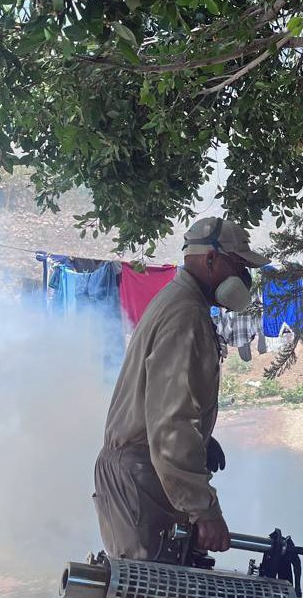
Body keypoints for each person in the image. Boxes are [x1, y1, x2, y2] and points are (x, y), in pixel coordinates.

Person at [93, 217, 270, 559]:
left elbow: (164, 401)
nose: (244, 278)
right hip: (141, 477)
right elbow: (171, 420)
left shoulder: (178, 301)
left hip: (145, 471)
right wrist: (203, 509)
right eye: (239, 266)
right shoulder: (186, 314)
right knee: (150, 588)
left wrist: (201, 439)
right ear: (210, 259)